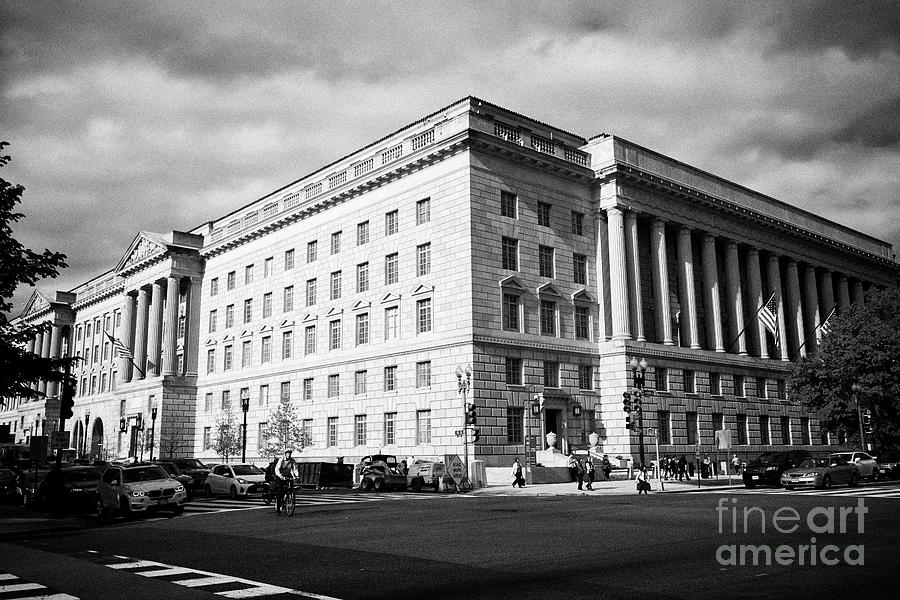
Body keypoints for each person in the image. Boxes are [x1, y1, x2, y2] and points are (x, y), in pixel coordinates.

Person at [274, 449, 298, 514]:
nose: (289, 455)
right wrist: (280, 476)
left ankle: (289, 496)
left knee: (290, 486)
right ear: (285, 454)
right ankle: (278, 508)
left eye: (290, 453)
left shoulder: (292, 460)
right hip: (280, 476)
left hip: (287, 475)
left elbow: (295, 469)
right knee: (280, 490)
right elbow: (277, 469)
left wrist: (296, 476)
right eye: (288, 453)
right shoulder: (281, 460)